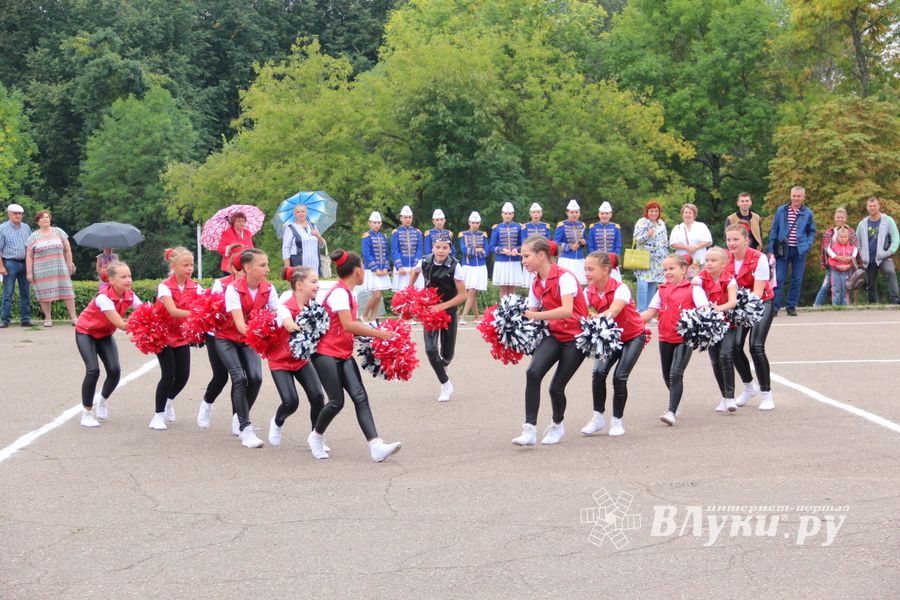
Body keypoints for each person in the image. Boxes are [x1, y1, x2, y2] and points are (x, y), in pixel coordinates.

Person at [308, 249, 402, 462]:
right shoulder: (340, 292)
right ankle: (315, 436)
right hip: (326, 354)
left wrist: (369, 339)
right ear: (358, 271)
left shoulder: (348, 293)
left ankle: (375, 445)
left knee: (360, 397)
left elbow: (346, 328)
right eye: (363, 268)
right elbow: (348, 325)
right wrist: (380, 334)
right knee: (336, 401)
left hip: (343, 352)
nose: (365, 272)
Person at [512, 236, 588, 446]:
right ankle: (529, 429)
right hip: (554, 334)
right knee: (533, 373)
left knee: (555, 387)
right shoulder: (535, 281)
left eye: (526, 256)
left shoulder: (565, 277)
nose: (523, 261)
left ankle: (557, 425)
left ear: (541, 255)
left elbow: (566, 310)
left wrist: (533, 316)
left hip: (575, 338)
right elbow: (532, 311)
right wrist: (509, 326)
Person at [217, 248, 279, 448]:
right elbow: (240, 324)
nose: (267, 269)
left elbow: (278, 316)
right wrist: (261, 333)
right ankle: (246, 429)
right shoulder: (233, 289)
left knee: (256, 378)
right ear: (247, 267)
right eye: (262, 265)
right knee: (239, 378)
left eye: (267, 264)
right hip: (226, 338)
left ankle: (238, 417)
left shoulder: (269, 288)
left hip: (248, 340)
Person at [582, 251, 647, 437]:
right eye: (585, 269)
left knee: (619, 377)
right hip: (611, 337)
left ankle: (617, 421)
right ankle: (598, 418)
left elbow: (614, 310)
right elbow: (579, 310)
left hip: (633, 336)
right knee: (598, 372)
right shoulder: (589, 290)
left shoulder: (621, 288)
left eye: (590, 269)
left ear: (605, 270)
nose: (586, 273)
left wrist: (596, 317)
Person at [640, 254, 710, 426]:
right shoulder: (662, 289)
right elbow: (649, 313)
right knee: (667, 375)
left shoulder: (694, 289)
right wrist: (628, 321)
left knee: (675, 373)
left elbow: (704, 310)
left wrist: (704, 315)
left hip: (684, 338)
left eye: (671, 269)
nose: (667, 272)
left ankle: (671, 411)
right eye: (665, 269)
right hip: (665, 337)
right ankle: (676, 400)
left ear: (684, 269)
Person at [74, 262, 141, 427]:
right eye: (123, 277)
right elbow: (121, 325)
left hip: (104, 334)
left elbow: (144, 310)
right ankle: (87, 413)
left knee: (114, 370)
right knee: (93, 370)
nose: (128, 280)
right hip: (86, 332)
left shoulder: (130, 295)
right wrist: (142, 323)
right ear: (111, 280)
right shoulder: (103, 297)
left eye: (129, 276)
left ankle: (102, 400)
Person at [267, 266, 327, 446]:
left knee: (318, 397)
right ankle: (277, 422)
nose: (317, 286)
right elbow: (288, 324)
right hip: (280, 361)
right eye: (314, 282)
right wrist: (304, 329)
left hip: (301, 361)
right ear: (299, 285)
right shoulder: (284, 308)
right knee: (291, 402)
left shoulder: (315, 307)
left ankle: (316, 437)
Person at [409, 231, 467, 402]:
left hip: (448, 310)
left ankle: (444, 367)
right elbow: (415, 272)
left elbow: (463, 295)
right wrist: (410, 291)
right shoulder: (425, 261)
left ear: (450, 249)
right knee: (430, 349)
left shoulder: (456, 266)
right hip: (430, 309)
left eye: (445, 247)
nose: (441, 251)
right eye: (437, 247)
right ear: (432, 247)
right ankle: (446, 384)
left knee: (447, 353)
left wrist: (441, 306)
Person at [725, 223, 776, 410]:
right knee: (735, 347)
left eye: (736, 239)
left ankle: (766, 394)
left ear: (746, 240)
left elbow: (758, 292)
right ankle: (748, 387)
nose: (731, 243)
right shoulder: (725, 259)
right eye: (729, 239)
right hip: (738, 305)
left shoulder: (759, 258)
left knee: (756, 346)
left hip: (761, 302)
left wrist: (735, 304)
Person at [151, 247, 200, 431]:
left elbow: (206, 303)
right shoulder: (164, 286)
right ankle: (158, 415)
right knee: (168, 374)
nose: (189, 268)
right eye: (185, 265)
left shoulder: (195, 286)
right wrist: (197, 314)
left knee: (183, 376)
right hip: (162, 335)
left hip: (181, 337)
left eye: (191, 264)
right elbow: (172, 311)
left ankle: (169, 401)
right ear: (173, 265)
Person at [197, 250, 245, 431]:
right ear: (232, 268)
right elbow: (214, 311)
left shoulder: (256, 286)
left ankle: (237, 419)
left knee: (240, 378)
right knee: (220, 377)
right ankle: (206, 404)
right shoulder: (221, 284)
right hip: (218, 336)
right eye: (240, 267)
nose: (243, 272)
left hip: (241, 336)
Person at [692, 247, 738, 413]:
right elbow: (694, 296)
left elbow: (732, 302)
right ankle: (724, 396)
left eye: (714, 260)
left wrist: (718, 309)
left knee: (726, 355)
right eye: (707, 260)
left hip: (727, 324)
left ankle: (731, 397)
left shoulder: (730, 280)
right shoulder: (699, 279)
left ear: (724, 264)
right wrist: (706, 311)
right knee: (715, 360)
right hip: (709, 325)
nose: (709, 263)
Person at [767, 186, 816, 316]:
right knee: (779, 278)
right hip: (783, 249)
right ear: (790, 196)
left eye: (799, 196)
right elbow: (774, 229)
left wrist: (808, 245)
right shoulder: (781, 210)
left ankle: (791, 306)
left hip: (800, 250)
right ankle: (775, 307)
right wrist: (771, 248)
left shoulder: (808, 213)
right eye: (794, 195)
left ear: (803, 197)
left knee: (796, 279)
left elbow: (811, 231)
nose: (796, 198)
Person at [25, 210, 77, 326]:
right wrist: (29, 272)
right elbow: (29, 256)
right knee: (44, 295)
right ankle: (48, 318)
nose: (45, 219)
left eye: (47, 217)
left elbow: (68, 250)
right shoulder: (33, 236)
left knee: (67, 292)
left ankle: (74, 318)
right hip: (41, 270)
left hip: (60, 268)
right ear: (37, 222)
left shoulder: (58, 232)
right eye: (42, 218)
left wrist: (69, 264)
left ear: (50, 219)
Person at [856, 196, 900, 305]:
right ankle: (872, 304)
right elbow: (856, 241)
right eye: (870, 206)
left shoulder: (888, 220)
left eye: (874, 205)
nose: (872, 208)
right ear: (867, 207)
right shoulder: (862, 224)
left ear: (879, 206)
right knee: (871, 283)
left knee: (891, 272)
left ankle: (895, 301)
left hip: (884, 256)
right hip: (868, 258)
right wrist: (860, 256)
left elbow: (896, 237)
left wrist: (890, 251)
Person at [813, 208, 858, 306]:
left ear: (845, 218)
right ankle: (816, 305)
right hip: (833, 264)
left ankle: (844, 305)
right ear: (834, 218)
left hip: (847, 264)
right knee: (828, 285)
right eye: (838, 217)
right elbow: (825, 248)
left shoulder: (850, 231)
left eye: (842, 217)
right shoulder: (829, 232)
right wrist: (837, 258)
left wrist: (850, 261)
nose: (840, 219)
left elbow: (855, 246)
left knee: (845, 286)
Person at [632, 201, 668, 312]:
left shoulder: (661, 223)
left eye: (656, 211)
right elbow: (636, 239)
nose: (654, 213)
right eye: (651, 211)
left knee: (652, 286)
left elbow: (665, 241)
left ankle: (649, 312)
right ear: (647, 211)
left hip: (657, 261)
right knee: (642, 286)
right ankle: (641, 311)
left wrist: (665, 258)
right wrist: (648, 235)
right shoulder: (642, 222)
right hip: (644, 259)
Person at [0, 203, 33, 327]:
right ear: (9, 214)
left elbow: (30, 247)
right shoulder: (2, 228)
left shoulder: (26, 227)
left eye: (19, 213)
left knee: (25, 293)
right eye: (15, 213)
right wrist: (1, 266)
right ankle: (4, 320)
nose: (18, 215)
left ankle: (25, 319)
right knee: (8, 293)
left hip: (25, 263)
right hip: (9, 263)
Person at [361, 211, 392, 322]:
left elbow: (386, 254)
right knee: (376, 295)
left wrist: (385, 268)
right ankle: (364, 315)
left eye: (379, 222)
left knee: (379, 295)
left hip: (382, 269)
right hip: (372, 270)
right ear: (369, 223)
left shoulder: (383, 236)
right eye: (374, 222)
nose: (377, 225)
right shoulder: (367, 236)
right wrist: (376, 269)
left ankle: (373, 317)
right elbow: (366, 254)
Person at [459, 212, 489, 321]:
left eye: (477, 223)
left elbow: (487, 251)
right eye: (473, 222)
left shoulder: (483, 235)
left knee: (474, 292)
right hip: (468, 265)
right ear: (469, 222)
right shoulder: (463, 235)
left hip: (480, 266)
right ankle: (463, 317)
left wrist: (476, 251)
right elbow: (463, 249)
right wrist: (478, 250)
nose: (475, 225)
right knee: (471, 291)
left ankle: (476, 317)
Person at [490, 202, 524, 297]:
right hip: (501, 261)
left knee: (512, 288)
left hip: (514, 260)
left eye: (509, 214)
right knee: (503, 288)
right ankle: (504, 310)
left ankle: (511, 309)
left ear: (513, 215)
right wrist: (502, 250)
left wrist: (516, 250)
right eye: (505, 213)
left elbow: (523, 244)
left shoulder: (519, 227)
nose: (507, 216)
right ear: (502, 214)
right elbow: (491, 247)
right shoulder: (497, 228)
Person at [281, 204, 326, 271]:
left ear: (306, 212)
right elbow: (286, 248)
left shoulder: (312, 226)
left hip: (314, 262)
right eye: (298, 212)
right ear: (294, 214)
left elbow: (322, 245)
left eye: (303, 211)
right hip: (298, 262)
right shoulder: (290, 228)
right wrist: (287, 266)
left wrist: (318, 236)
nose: (301, 214)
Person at [669, 203, 712, 270]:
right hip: (682, 261)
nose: (687, 215)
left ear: (694, 214)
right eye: (685, 212)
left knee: (697, 279)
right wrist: (686, 247)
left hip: (698, 261)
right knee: (684, 279)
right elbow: (673, 244)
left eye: (690, 213)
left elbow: (708, 241)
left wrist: (696, 247)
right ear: (682, 214)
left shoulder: (701, 226)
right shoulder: (677, 228)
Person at [554, 199, 588, 285]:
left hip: (579, 258)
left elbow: (585, 240)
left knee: (579, 284)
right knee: (566, 283)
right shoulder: (562, 225)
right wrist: (570, 247)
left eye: (576, 212)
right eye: (572, 212)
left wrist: (583, 242)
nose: (574, 214)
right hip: (566, 258)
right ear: (567, 213)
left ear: (579, 213)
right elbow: (556, 243)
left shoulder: (582, 225)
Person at [391, 205, 423, 290]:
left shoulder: (417, 232)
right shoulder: (396, 232)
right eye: (405, 217)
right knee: (401, 293)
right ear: (401, 218)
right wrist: (399, 266)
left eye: (409, 217)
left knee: (416, 293)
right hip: (402, 267)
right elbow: (394, 251)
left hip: (414, 267)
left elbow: (419, 250)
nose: (408, 219)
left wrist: (415, 265)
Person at [522, 202, 552, 290]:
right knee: (530, 284)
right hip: (530, 256)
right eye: (534, 212)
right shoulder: (525, 227)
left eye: (538, 212)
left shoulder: (546, 227)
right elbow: (524, 242)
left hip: (541, 256)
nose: (536, 214)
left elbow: (547, 242)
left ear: (541, 214)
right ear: (530, 214)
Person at [827, 226, 858, 306]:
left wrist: (848, 266)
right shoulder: (833, 248)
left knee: (845, 289)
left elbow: (853, 260)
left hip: (847, 271)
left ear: (848, 237)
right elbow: (831, 260)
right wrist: (837, 266)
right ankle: (835, 305)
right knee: (836, 288)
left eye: (845, 237)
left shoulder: (851, 248)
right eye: (841, 237)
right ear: (837, 237)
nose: (843, 238)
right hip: (836, 271)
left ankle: (845, 305)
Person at [216, 212, 254, 276]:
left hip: (244, 266)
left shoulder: (248, 233)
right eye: (238, 221)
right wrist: (231, 247)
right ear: (233, 222)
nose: (241, 223)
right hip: (230, 267)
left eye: (243, 221)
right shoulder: (227, 233)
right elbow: (220, 249)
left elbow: (251, 247)